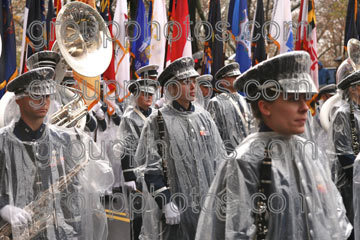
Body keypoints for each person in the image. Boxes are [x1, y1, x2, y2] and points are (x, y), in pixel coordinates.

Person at [195, 51, 352, 239]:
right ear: (265, 106)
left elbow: (335, 222)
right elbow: (236, 231)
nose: (304, 107)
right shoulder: (245, 161)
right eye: (294, 99)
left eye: (305, 98)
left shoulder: (310, 152)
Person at [0, 67, 114, 239]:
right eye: (36, 96)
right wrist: (2, 207)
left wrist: (75, 232)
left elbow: (72, 193)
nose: (44, 102)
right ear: (19, 99)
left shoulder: (63, 140)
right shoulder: (2, 141)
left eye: (47, 96)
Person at [133, 57, 227, 240]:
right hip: (178, 205)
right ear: (172, 87)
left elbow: (219, 158)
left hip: (207, 203)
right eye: (186, 82)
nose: (193, 86)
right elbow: (150, 167)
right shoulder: (158, 120)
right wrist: (165, 201)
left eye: (193, 81)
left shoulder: (204, 116)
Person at [112, 77, 158, 240]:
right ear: (136, 96)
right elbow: (126, 146)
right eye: (144, 94)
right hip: (137, 172)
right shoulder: (129, 117)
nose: (148, 97)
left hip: (154, 169)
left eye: (151, 94)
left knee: (155, 212)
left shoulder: (156, 114)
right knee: (138, 214)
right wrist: (129, 175)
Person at [331, 69, 360, 240]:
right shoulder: (343, 113)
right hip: (351, 182)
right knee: (352, 223)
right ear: (353, 89)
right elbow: (344, 153)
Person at [207, 62, 255, 154]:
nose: (237, 79)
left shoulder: (246, 101)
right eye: (233, 77)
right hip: (228, 155)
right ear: (223, 81)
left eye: (238, 76)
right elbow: (213, 133)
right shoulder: (215, 102)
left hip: (248, 153)